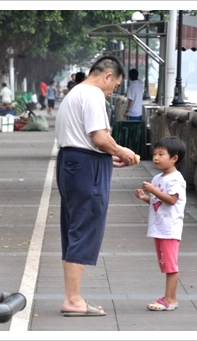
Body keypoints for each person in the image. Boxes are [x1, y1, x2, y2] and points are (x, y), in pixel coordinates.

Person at [55, 55, 139, 317]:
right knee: (85, 226)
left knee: (73, 227)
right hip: (85, 168)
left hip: (72, 162)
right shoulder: (92, 95)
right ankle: (73, 299)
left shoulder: (74, 93)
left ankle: (73, 297)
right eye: (114, 86)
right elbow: (100, 137)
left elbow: (84, 140)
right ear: (107, 76)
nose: (113, 91)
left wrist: (107, 156)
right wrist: (122, 151)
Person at [135, 136, 187, 312]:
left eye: (161, 154)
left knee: (170, 265)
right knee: (166, 263)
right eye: (155, 153)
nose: (156, 157)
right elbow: (158, 201)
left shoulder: (176, 179)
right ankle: (168, 297)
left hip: (170, 229)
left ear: (174, 158)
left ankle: (170, 299)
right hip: (159, 228)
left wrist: (153, 190)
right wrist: (145, 197)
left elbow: (172, 200)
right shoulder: (158, 177)